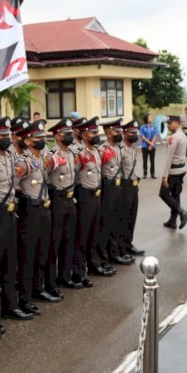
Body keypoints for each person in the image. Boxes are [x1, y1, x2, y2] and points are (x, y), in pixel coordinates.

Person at [0, 117, 34, 319]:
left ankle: (10, 306)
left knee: (11, 263)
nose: (7, 139)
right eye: (3, 136)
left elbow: (29, 166)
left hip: (10, 215)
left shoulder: (10, 157)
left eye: (8, 135)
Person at [15, 120, 59, 314]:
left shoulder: (42, 159)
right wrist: (20, 200)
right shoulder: (23, 162)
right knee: (28, 256)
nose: (42, 140)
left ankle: (38, 288)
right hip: (30, 211)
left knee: (42, 252)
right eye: (38, 138)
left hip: (44, 209)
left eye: (43, 137)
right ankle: (24, 298)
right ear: (28, 140)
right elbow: (12, 184)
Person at [72, 117, 115, 286]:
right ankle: (78, 272)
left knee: (93, 233)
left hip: (96, 195)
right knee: (82, 235)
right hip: (84, 195)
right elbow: (72, 176)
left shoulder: (96, 151)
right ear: (83, 134)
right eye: (91, 132)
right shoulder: (78, 153)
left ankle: (93, 264)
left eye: (96, 132)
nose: (95, 135)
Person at [47, 118, 82, 290]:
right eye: (66, 134)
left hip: (70, 199)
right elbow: (42, 177)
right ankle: (51, 281)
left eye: (71, 133)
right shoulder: (52, 155)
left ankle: (65, 276)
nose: (70, 137)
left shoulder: (71, 154)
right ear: (58, 136)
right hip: (58, 200)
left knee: (69, 240)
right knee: (55, 242)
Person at [97, 119, 132, 265]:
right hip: (108, 187)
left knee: (117, 220)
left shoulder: (118, 147)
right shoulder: (102, 150)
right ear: (107, 132)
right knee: (107, 222)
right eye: (115, 131)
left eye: (119, 131)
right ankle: (106, 255)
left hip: (118, 187)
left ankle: (115, 252)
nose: (119, 133)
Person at [159, 116, 187, 229]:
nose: (168, 125)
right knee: (175, 194)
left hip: (173, 171)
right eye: (167, 123)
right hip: (182, 169)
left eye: (170, 123)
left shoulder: (173, 138)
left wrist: (164, 176)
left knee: (163, 194)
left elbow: (169, 158)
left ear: (177, 123)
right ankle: (173, 221)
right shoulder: (183, 135)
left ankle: (183, 213)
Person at [118, 120, 145, 256]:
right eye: (131, 132)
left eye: (136, 132)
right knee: (123, 217)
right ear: (124, 133)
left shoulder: (133, 148)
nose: (134, 135)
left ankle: (128, 243)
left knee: (132, 217)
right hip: (124, 187)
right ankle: (121, 247)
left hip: (134, 186)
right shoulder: (120, 149)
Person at [139, 113, 158, 178]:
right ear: (146, 119)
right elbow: (143, 137)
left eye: (151, 117)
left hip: (152, 146)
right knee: (145, 160)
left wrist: (151, 144)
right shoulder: (142, 127)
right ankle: (145, 173)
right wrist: (150, 143)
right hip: (145, 145)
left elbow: (155, 135)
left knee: (152, 160)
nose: (151, 118)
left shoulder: (154, 126)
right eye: (150, 117)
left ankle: (152, 174)